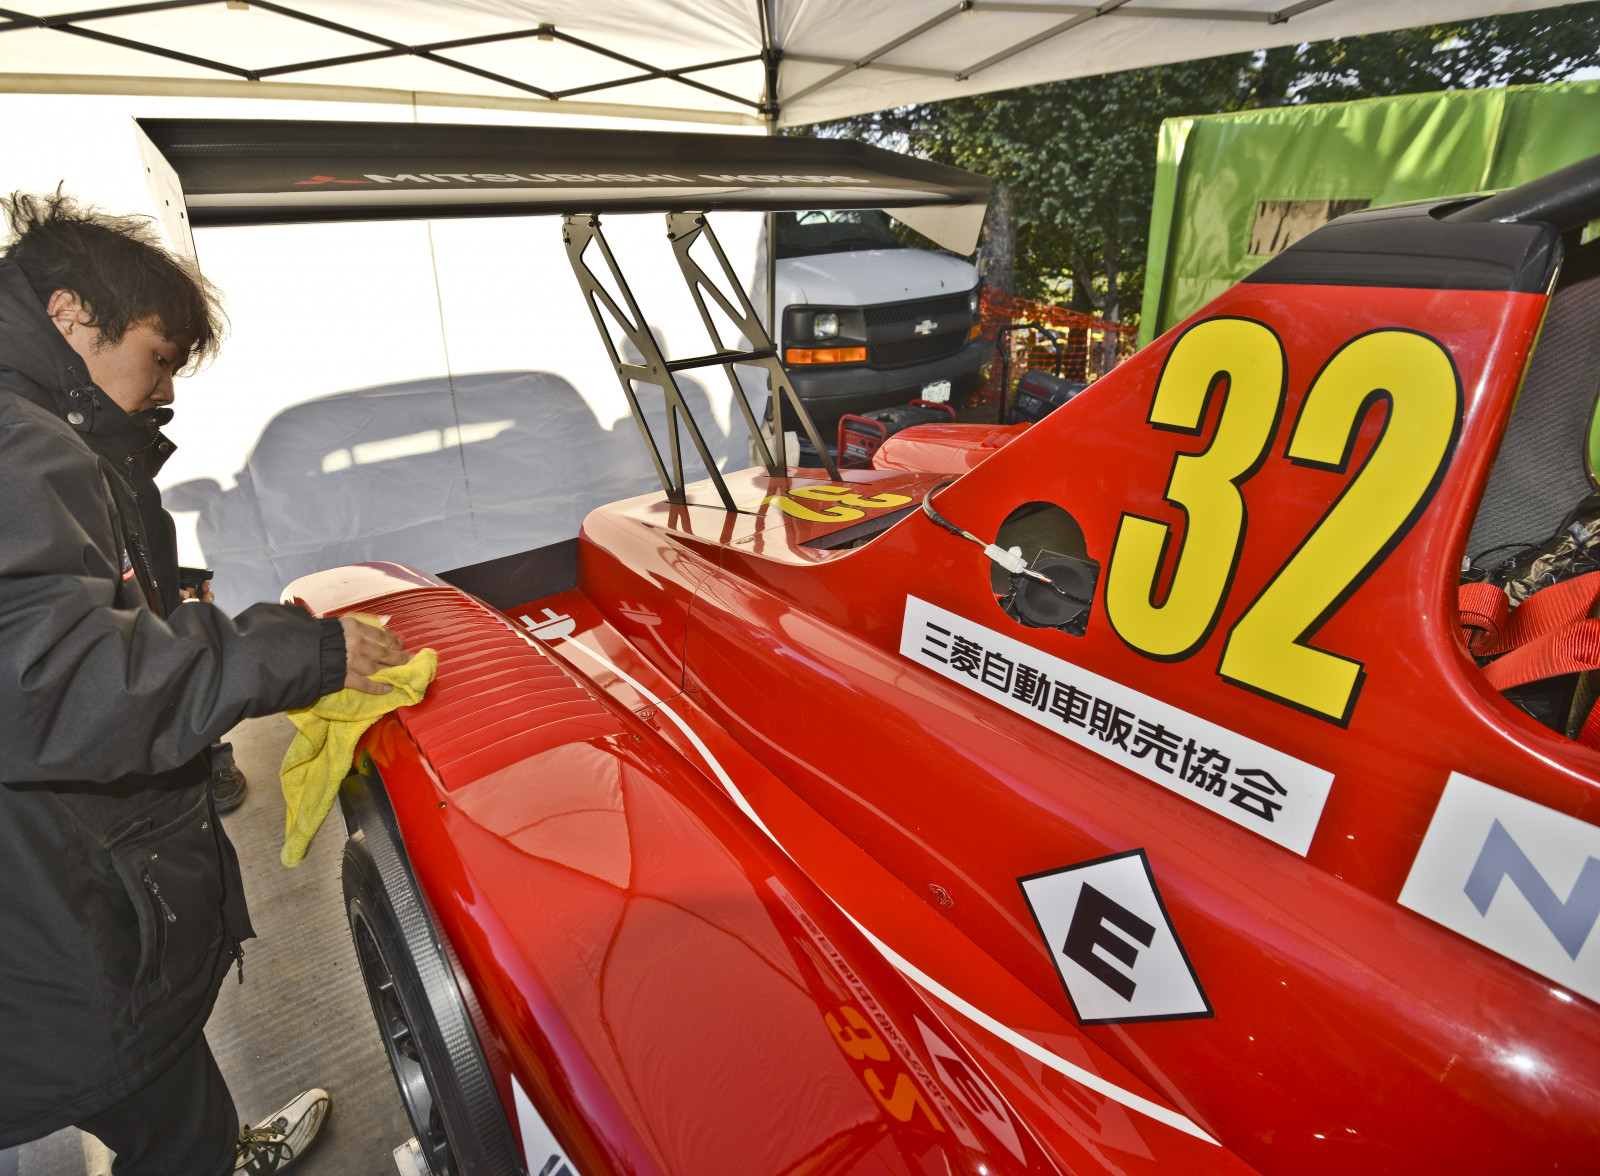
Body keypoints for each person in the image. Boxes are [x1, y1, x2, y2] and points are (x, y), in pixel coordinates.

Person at [0, 189, 409, 1174]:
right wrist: (284, 654)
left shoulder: (53, 433)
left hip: (54, 883)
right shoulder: (18, 440)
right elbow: (50, 682)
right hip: (52, 895)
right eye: (161, 356)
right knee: (154, 1105)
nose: (168, 387)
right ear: (71, 317)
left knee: (157, 1086)